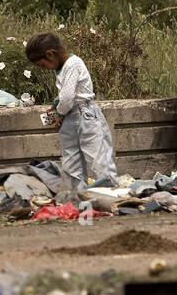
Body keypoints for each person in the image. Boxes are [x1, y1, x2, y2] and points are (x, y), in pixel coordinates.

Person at [25, 32, 118, 193]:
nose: (44, 68)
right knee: (71, 160)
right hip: (71, 115)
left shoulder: (73, 64)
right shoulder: (61, 68)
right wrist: (56, 105)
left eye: (42, 65)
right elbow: (65, 94)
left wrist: (59, 113)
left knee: (96, 157)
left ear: (50, 54)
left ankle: (110, 191)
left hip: (84, 114)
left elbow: (68, 97)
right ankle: (78, 194)